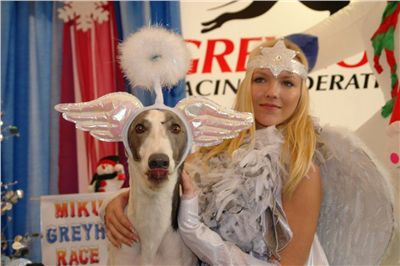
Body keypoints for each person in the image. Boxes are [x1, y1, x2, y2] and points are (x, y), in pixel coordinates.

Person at [102, 38, 329, 265]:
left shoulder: (301, 170)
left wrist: (196, 233)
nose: (272, 92)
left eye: (287, 83)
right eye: (261, 79)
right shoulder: (210, 152)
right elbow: (168, 190)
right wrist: (117, 201)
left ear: (301, 94)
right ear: (246, 85)